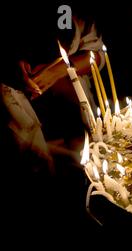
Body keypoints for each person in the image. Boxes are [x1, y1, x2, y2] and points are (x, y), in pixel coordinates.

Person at [0, 5, 105, 174]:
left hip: (75, 112)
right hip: (24, 111)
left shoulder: (78, 13)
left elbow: (96, 55)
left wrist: (60, 70)